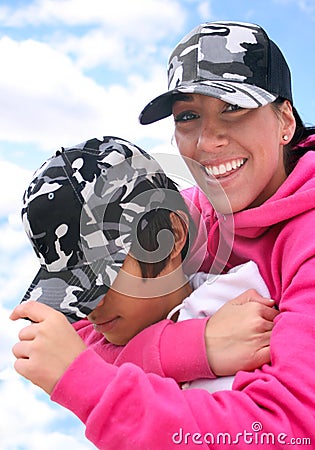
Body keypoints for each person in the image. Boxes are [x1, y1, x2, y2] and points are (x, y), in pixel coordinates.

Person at [11, 20, 315, 448]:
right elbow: (76, 336)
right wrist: (191, 347)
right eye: (188, 116)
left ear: (285, 119)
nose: (208, 141)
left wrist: (90, 385)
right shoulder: (189, 209)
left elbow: (289, 431)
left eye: (233, 108)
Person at [11, 135, 274, 398]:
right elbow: (77, 349)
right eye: (73, 289)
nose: (90, 308)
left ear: (172, 237)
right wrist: (190, 347)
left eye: (105, 278)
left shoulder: (248, 316)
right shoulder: (119, 325)